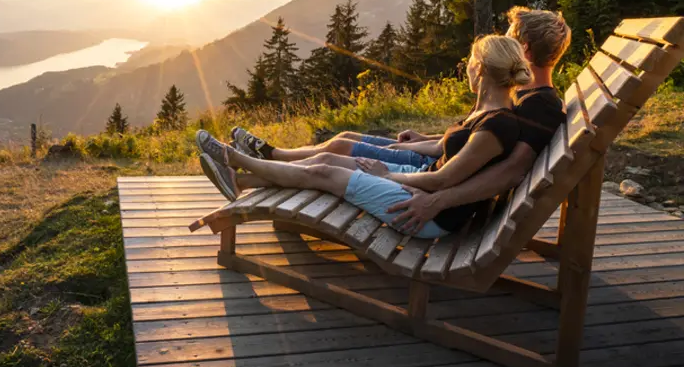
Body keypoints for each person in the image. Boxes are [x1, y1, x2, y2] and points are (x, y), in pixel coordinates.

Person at [229, 7, 572, 209]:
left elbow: (508, 170)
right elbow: (475, 138)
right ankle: (262, 162)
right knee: (339, 146)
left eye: (510, 38)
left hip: (434, 186)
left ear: (523, 49)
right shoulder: (518, 97)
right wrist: (426, 139)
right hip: (436, 169)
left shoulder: (537, 106)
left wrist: (435, 198)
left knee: (331, 158)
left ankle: (252, 165)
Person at [197, 34, 534, 238]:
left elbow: (446, 178)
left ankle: (234, 158)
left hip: (425, 211)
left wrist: (385, 173)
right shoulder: (485, 113)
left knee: (323, 172)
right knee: (326, 158)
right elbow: (443, 156)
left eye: (470, 63)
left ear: (481, 69)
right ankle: (241, 182)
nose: (467, 69)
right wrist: (404, 153)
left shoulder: (498, 126)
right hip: (418, 185)